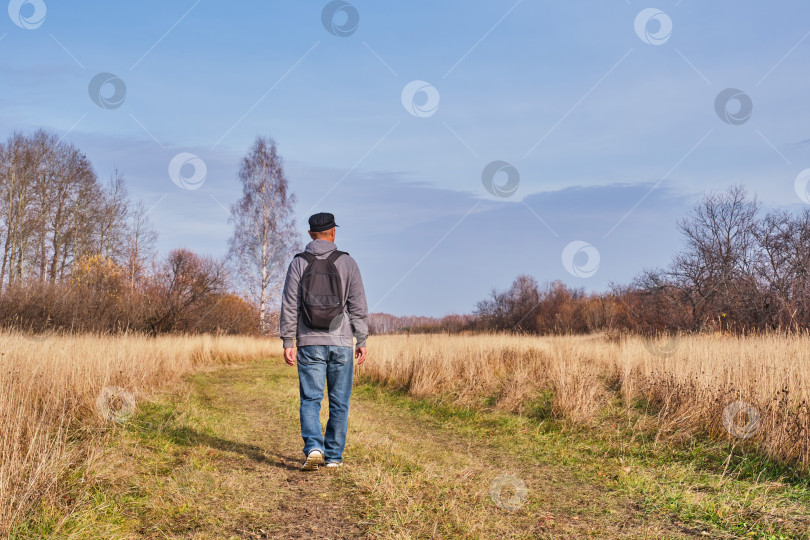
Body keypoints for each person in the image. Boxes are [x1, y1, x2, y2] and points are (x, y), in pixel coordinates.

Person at [280, 212, 368, 471]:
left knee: (311, 399)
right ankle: (333, 457)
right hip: (341, 341)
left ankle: (314, 447)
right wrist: (361, 338)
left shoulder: (298, 263)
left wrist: (288, 340)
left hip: (309, 342)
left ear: (310, 234)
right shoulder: (347, 262)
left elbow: (289, 305)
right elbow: (358, 305)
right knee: (340, 401)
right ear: (333, 233)